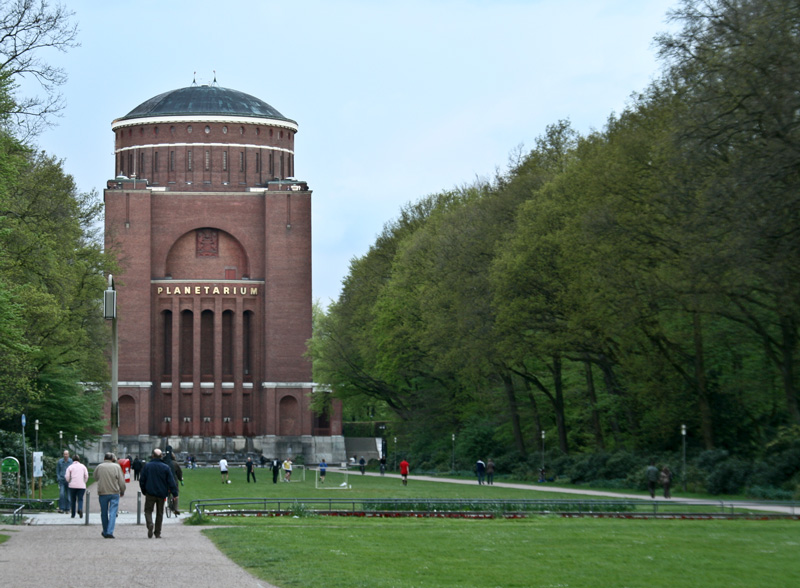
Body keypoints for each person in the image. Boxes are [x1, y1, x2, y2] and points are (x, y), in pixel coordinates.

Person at [140, 448, 180, 539]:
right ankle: (157, 533)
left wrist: (144, 490)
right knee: (160, 513)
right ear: (161, 456)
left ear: (152, 456)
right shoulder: (165, 467)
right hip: (162, 493)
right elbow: (171, 482)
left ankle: (150, 524)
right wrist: (175, 494)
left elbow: (142, 480)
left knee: (148, 511)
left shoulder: (147, 466)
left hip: (150, 493)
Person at [93, 452, 126, 538]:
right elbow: (121, 481)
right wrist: (122, 490)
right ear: (112, 459)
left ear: (104, 458)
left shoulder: (99, 467)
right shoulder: (116, 467)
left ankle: (105, 530)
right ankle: (109, 531)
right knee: (113, 512)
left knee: (103, 513)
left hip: (103, 492)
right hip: (114, 492)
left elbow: (95, 477)